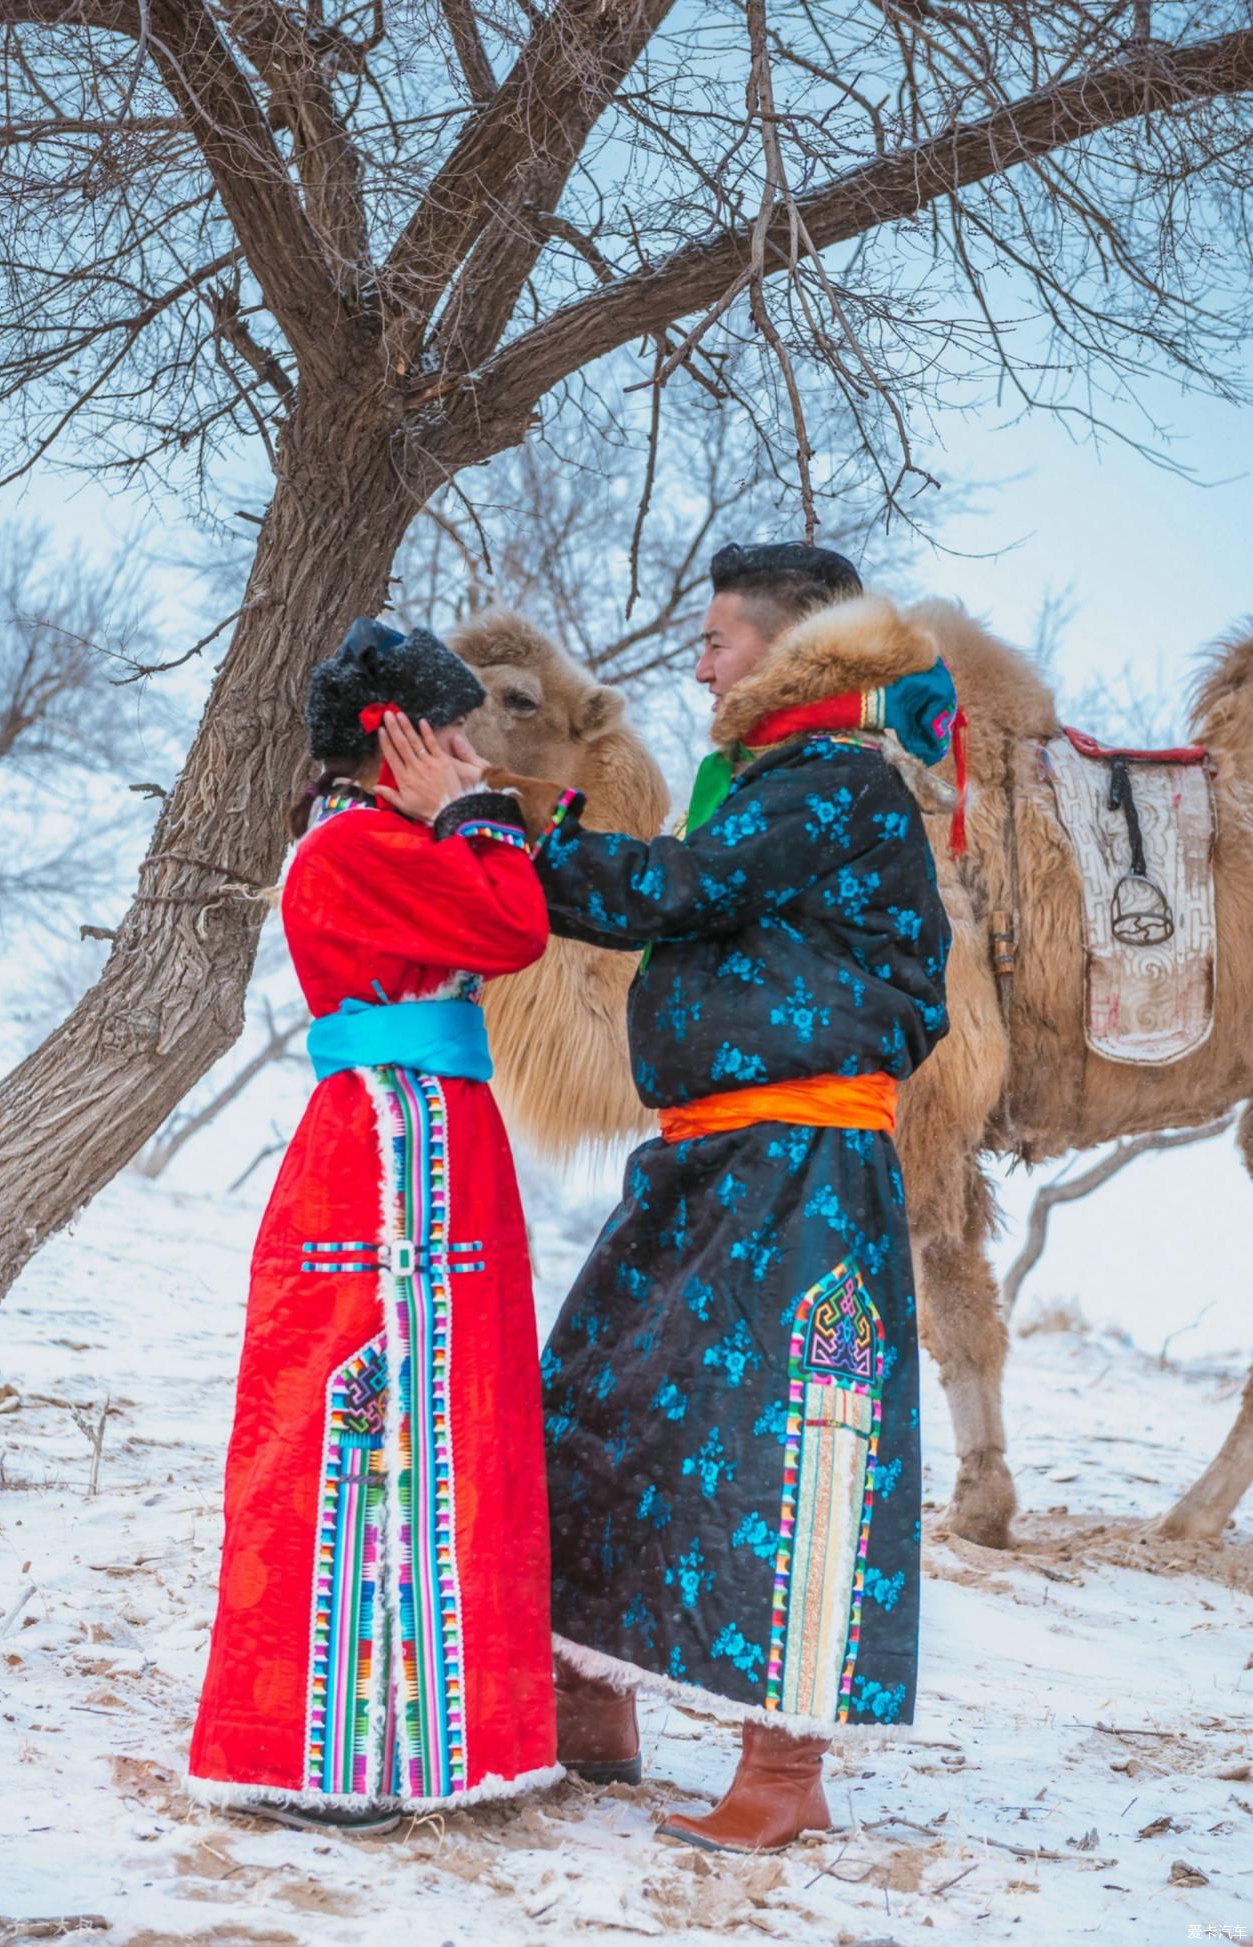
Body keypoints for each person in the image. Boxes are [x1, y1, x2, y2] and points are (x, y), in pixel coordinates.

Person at [530, 542, 958, 1853]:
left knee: (801, 1443)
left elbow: (676, 888)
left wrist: (524, 841)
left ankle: (786, 1772)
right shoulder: (782, 783)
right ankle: (591, 1697)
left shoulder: (835, 783)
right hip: (713, 1156)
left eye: (718, 639)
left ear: (784, 653)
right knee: (597, 1395)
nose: (701, 661)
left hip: (802, 1167)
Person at [187, 618, 560, 1831]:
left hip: (432, 1142)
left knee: (438, 1419)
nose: (468, 757)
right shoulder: (355, 848)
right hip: (391, 1161)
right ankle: (343, 1754)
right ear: (388, 739)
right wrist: (472, 816)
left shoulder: (387, 845)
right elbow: (510, 926)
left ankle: (415, 1740)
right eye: (447, 734)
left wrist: (467, 818)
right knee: (376, 1411)